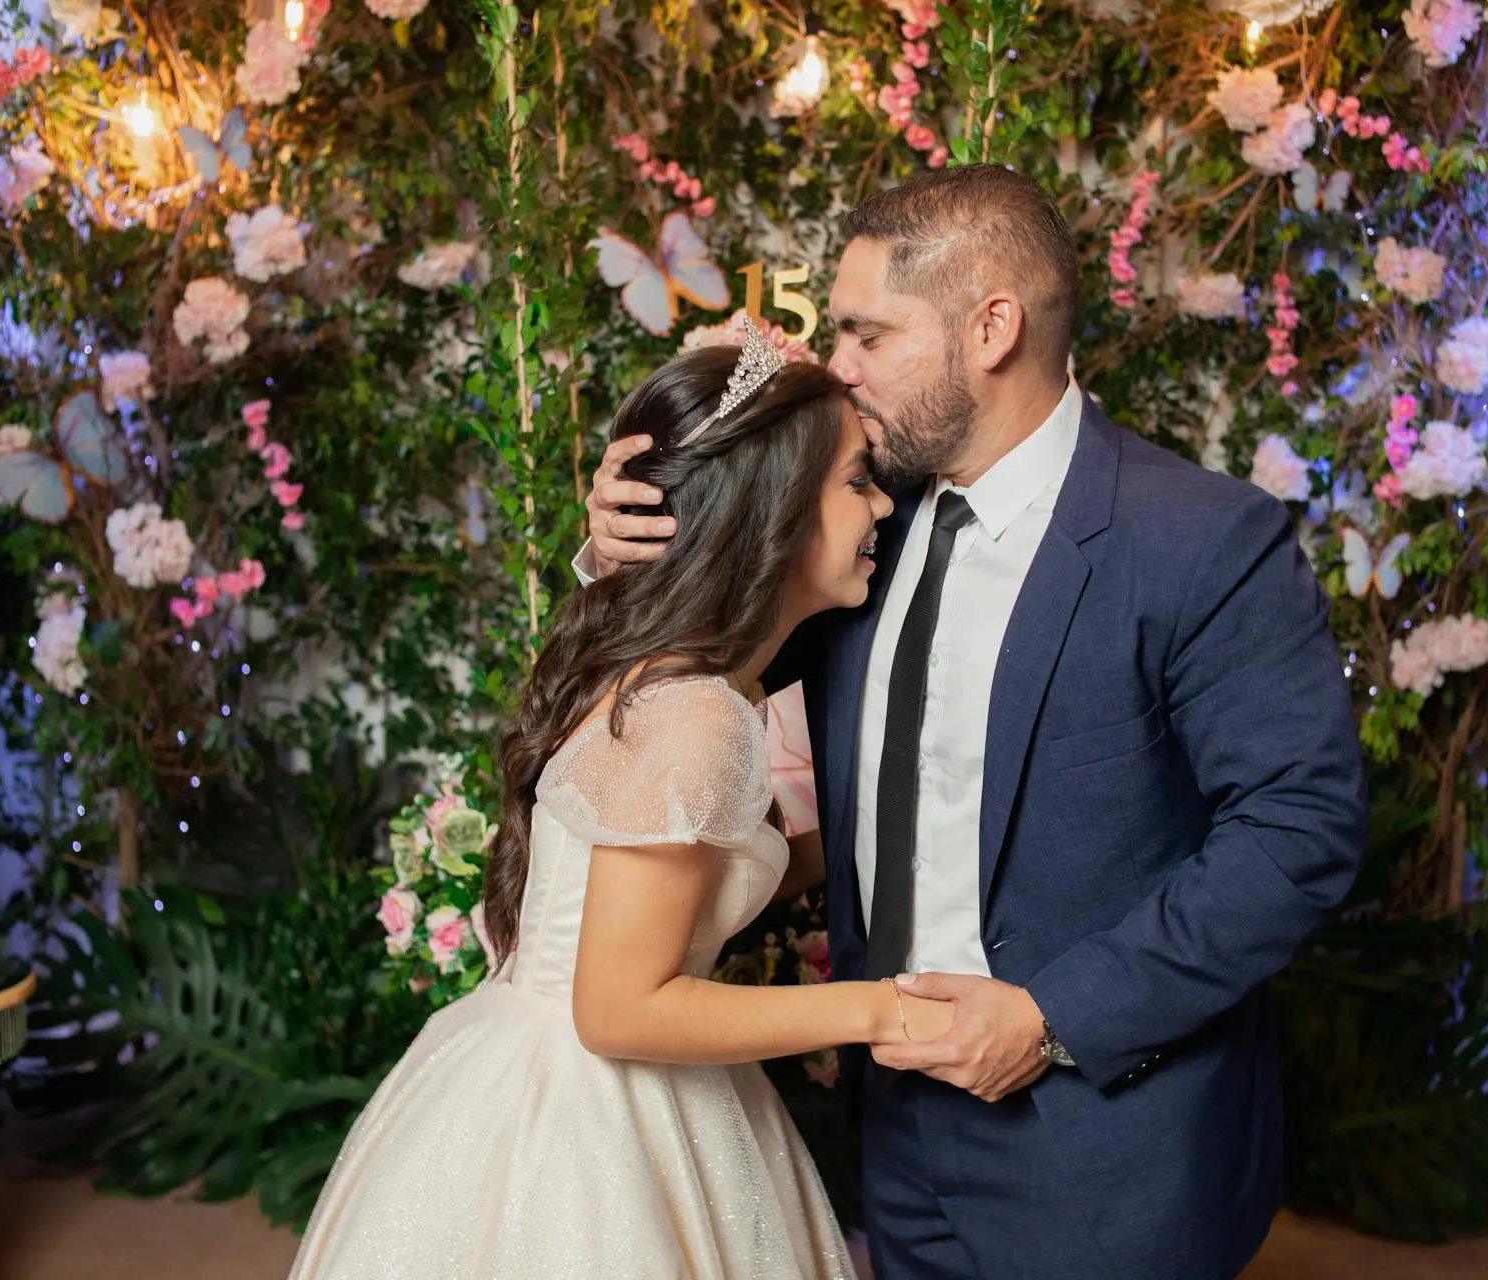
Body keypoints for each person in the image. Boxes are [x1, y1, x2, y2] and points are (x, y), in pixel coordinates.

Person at [584, 164, 1369, 1280]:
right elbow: (689, 664)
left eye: (866, 334)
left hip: (1110, 1144)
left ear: (991, 328)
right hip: (895, 1130)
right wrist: (622, 548)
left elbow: (1298, 833)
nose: (837, 366)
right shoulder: (854, 519)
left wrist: (1052, 1017)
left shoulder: (1200, 541)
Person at [290, 334, 954, 1280]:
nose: (883, 504)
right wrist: (884, 1011)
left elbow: (697, 885)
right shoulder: (694, 714)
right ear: (772, 508)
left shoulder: (670, 668)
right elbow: (617, 1009)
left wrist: (881, 832)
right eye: (858, 482)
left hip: (527, 1061)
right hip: (590, 1114)